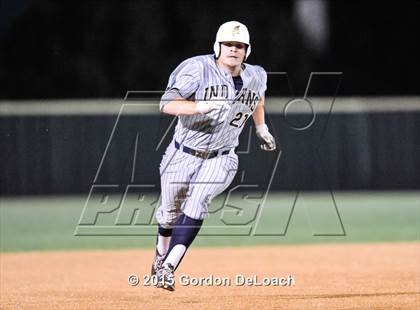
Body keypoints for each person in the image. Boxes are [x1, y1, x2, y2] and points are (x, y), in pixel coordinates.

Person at [151, 21, 276, 291]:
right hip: (182, 154)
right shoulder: (197, 68)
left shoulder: (257, 75)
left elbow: (258, 98)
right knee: (168, 214)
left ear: (247, 50)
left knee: (198, 201)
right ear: (218, 46)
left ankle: (169, 267)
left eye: (239, 46)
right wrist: (198, 106)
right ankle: (160, 256)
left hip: (222, 156)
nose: (233, 49)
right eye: (229, 44)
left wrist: (261, 127)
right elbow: (166, 103)